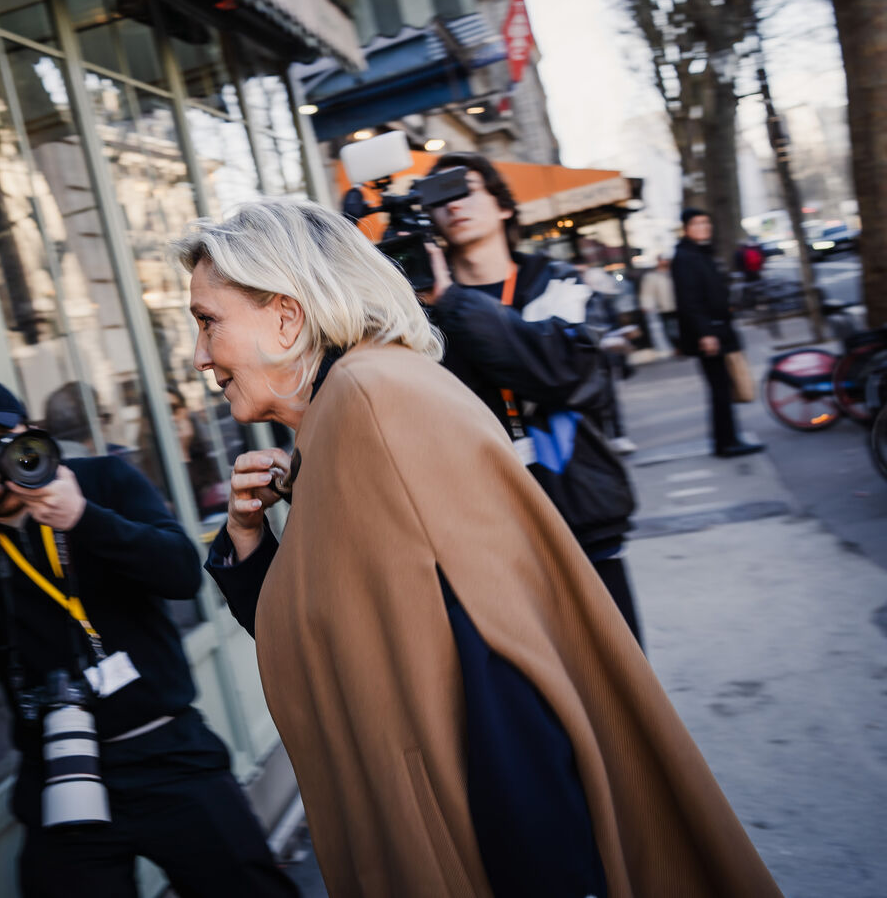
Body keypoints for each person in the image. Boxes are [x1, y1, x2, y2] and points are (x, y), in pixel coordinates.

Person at [181, 199, 781, 897]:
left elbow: (493, 659)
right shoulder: (344, 414)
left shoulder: (368, 403)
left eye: (208, 321)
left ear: (286, 316)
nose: (200, 357)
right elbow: (335, 639)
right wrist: (248, 542)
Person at [0, 379, 296, 898]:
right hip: (57, 770)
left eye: (1, 446)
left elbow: (181, 574)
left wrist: (83, 518)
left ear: (30, 434)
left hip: (164, 749)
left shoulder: (100, 480)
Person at [421, 152, 642, 643]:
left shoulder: (559, 283)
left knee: (616, 678)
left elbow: (565, 371)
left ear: (503, 205)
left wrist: (452, 301)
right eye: (438, 198)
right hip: (484, 534)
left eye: (465, 188)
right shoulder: (417, 315)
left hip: (579, 514)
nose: (453, 204)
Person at [671, 209, 765, 457]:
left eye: (706, 222)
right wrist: (706, 334)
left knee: (724, 387)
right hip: (710, 333)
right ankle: (726, 443)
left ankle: (729, 438)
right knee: (720, 388)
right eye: (697, 223)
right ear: (686, 228)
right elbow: (689, 300)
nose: (704, 227)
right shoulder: (685, 257)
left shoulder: (700, 252)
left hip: (717, 328)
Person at [639, 254, 678, 355]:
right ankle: (677, 347)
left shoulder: (676, 272)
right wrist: (646, 305)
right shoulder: (652, 276)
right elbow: (647, 293)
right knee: (671, 329)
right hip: (665, 307)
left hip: (679, 305)